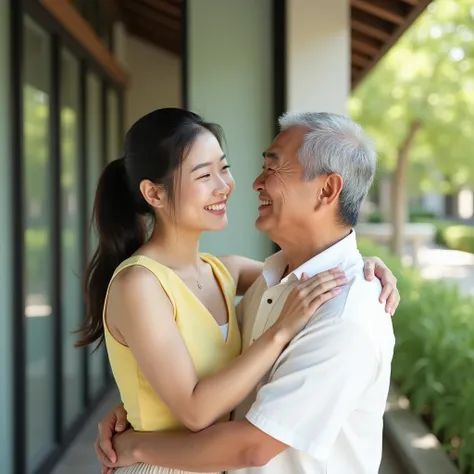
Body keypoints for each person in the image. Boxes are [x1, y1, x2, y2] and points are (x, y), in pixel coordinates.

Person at [90, 109, 399, 474]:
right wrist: (138, 407)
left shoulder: (326, 306)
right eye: (204, 174)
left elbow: (249, 444)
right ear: (154, 193)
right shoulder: (270, 282)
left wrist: (367, 267)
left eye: (224, 168)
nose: (236, 184)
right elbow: (195, 400)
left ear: (327, 189)